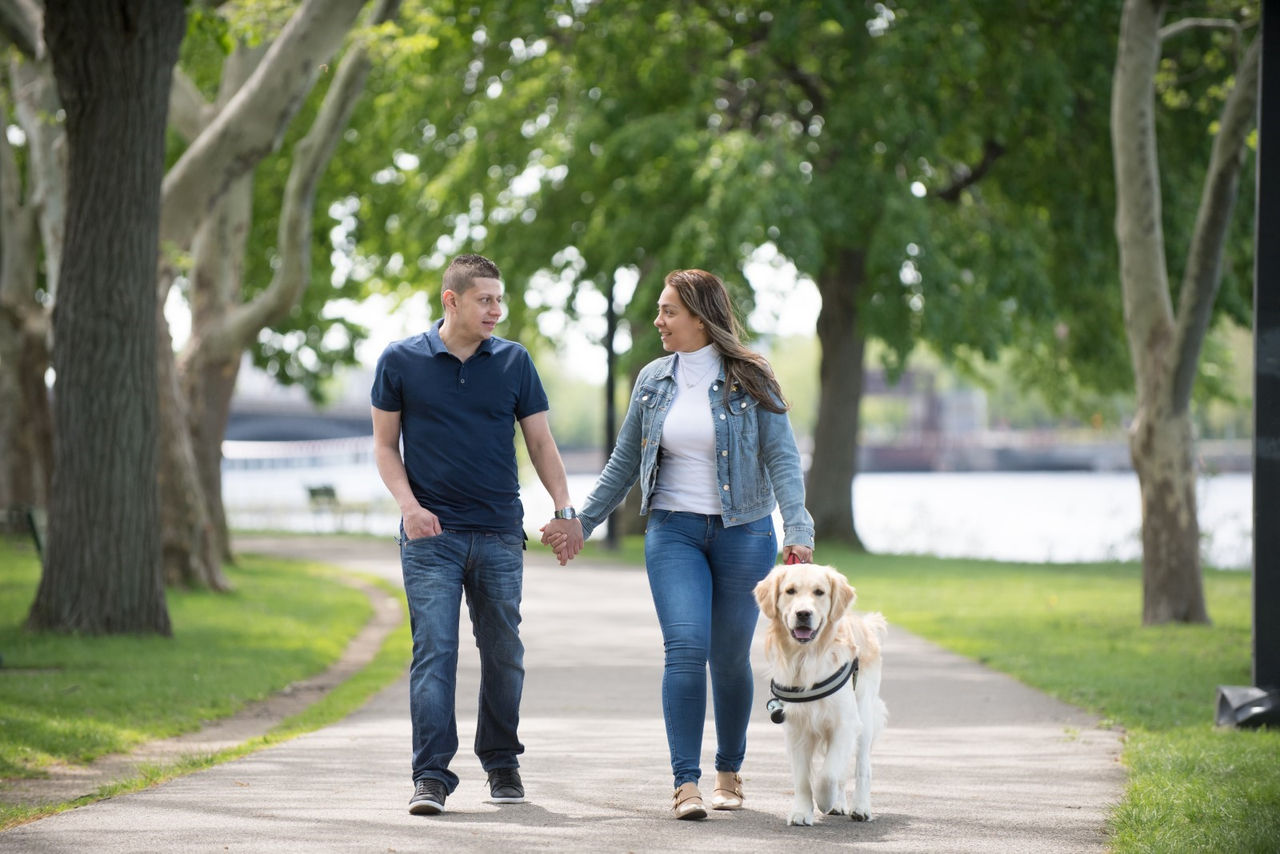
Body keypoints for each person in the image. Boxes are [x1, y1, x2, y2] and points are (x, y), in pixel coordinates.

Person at [543, 268, 814, 820]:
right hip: (673, 531)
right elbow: (623, 463)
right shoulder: (653, 379)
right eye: (660, 311)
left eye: (669, 311)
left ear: (699, 316)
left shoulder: (751, 376)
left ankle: (729, 770)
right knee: (685, 648)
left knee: (729, 656)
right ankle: (685, 785)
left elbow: (782, 458)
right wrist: (581, 521)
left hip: (746, 532)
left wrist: (799, 530)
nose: (658, 321)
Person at [371, 253, 584, 816]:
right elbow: (383, 446)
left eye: (499, 299)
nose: (496, 309)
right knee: (434, 652)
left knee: (504, 652)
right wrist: (409, 507)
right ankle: (431, 776)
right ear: (452, 300)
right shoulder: (400, 360)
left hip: (497, 531)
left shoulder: (513, 362)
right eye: (485, 299)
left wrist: (565, 509)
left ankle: (501, 761)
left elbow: (541, 443)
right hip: (429, 535)